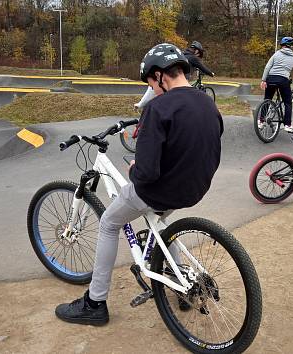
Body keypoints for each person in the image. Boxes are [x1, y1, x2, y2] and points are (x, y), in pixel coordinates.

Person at [56, 43, 224, 326]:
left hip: (161, 190)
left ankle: (94, 303)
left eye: (150, 83)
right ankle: (179, 280)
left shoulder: (158, 108)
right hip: (195, 187)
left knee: (109, 221)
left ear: (160, 76)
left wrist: (135, 169)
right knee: (161, 226)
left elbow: (145, 173)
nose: (151, 90)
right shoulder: (207, 102)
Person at [134, 41, 215, 110]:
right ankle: (140, 104)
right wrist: (211, 74)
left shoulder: (155, 110)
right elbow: (203, 68)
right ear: (197, 51)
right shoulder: (209, 104)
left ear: (158, 76)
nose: (153, 89)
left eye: (151, 86)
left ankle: (140, 104)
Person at [260, 36, 293, 133]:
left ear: (282, 46)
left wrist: (263, 80)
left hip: (270, 78)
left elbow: (268, 67)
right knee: (287, 102)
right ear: (291, 46)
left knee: (267, 99)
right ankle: (287, 125)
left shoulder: (276, 54)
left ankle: (261, 121)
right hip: (282, 80)